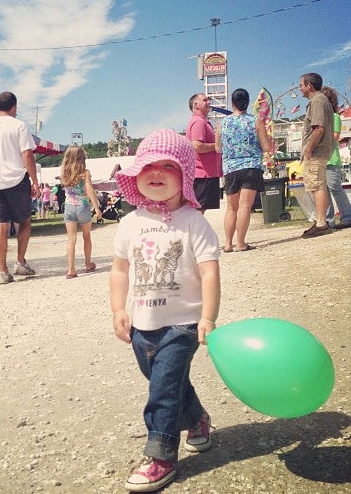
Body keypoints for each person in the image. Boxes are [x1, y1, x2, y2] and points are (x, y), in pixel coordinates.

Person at [110, 129, 221, 492]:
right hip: (142, 324)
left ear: (185, 175)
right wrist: (117, 309)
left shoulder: (193, 222)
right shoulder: (130, 223)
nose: (155, 172)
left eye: (167, 166)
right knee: (167, 382)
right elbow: (119, 269)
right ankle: (197, 419)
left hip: (182, 324)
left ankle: (160, 455)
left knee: (162, 388)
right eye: (147, 166)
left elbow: (209, 271)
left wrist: (207, 317)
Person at [0, 91, 40, 284]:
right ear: (14, 107)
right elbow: (27, 154)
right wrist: (34, 181)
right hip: (17, 179)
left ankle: (2, 271)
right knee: (25, 220)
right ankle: (20, 261)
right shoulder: (19, 126)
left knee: (0, 225)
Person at [215, 88, 272, 252]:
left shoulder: (222, 123)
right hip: (251, 167)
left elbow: (218, 149)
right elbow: (266, 146)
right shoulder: (256, 121)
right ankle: (240, 243)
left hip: (231, 168)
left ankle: (227, 243)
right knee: (245, 206)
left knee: (231, 207)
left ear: (232, 103)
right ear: (248, 103)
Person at [299, 73, 334, 238]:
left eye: (302, 85)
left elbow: (319, 127)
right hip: (320, 151)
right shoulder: (320, 101)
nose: (300, 88)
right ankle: (322, 220)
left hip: (316, 152)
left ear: (309, 86)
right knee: (318, 185)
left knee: (316, 186)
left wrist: (309, 149)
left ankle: (321, 223)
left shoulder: (318, 101)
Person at [59, 145, 102, 279]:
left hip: (69, 207)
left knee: (71, 239)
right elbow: (89, 189)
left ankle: (71, 269)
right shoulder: (85, 172)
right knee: (86, 236)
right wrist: (96, 207)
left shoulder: (64, 172)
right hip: (83, 207)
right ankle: (88, 264)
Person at [321, 86, 351, 229]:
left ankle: (347, 216)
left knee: (335, 188)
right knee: (324, 190)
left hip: (331, 158)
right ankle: (329, 219)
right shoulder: (322, 118)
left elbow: (335, 137)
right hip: (321, 159)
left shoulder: (334, 117)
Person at [186, 93, 222, 212]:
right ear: (196, 105)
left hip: (206, 173)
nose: (209, 103)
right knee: (198, 210)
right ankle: (194, 231)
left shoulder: (202, 122)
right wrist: (217, 145)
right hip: (202, 174)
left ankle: (196, 231)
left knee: (200, 210)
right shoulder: (199, 122)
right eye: (205, 100)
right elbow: (197, 146)